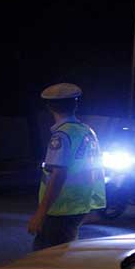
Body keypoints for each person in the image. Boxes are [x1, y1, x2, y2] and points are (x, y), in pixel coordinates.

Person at [28, 83, 106, 250]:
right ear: (75, 105)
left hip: (61, 207)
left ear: (49, 107)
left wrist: (40, 214)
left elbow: (58, 174)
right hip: (81, 204)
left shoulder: (61, 135)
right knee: (64, 254)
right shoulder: (87, 131)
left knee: (45, 259)